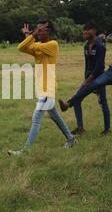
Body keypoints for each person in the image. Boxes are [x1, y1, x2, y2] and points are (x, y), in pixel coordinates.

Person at [8, 20, 77, 156]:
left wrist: (30, 35)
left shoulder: (53, 45)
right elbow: (21, 47)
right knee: (55, 116)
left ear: (49, 31)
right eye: (37, 29)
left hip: (48, 88)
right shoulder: (38, 45)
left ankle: (25, 151)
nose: (38, 31)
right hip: (42, 88)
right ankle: (71, 138)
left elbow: (29, 46)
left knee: (36, 119)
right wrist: (30, 35)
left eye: (42, 29)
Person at [70, 22, 110, 136]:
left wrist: (88, 81)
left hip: (99, 79)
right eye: (84, 30)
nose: (85, 32)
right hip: (88, 78)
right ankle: (80, 128)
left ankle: (107, 129)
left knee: (103, 103)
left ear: (94, 31)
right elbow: (87, 65)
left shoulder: (100, 47)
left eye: (88, 29)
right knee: (77, 100)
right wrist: (86, 78)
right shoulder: (86, 46)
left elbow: (99, 66)